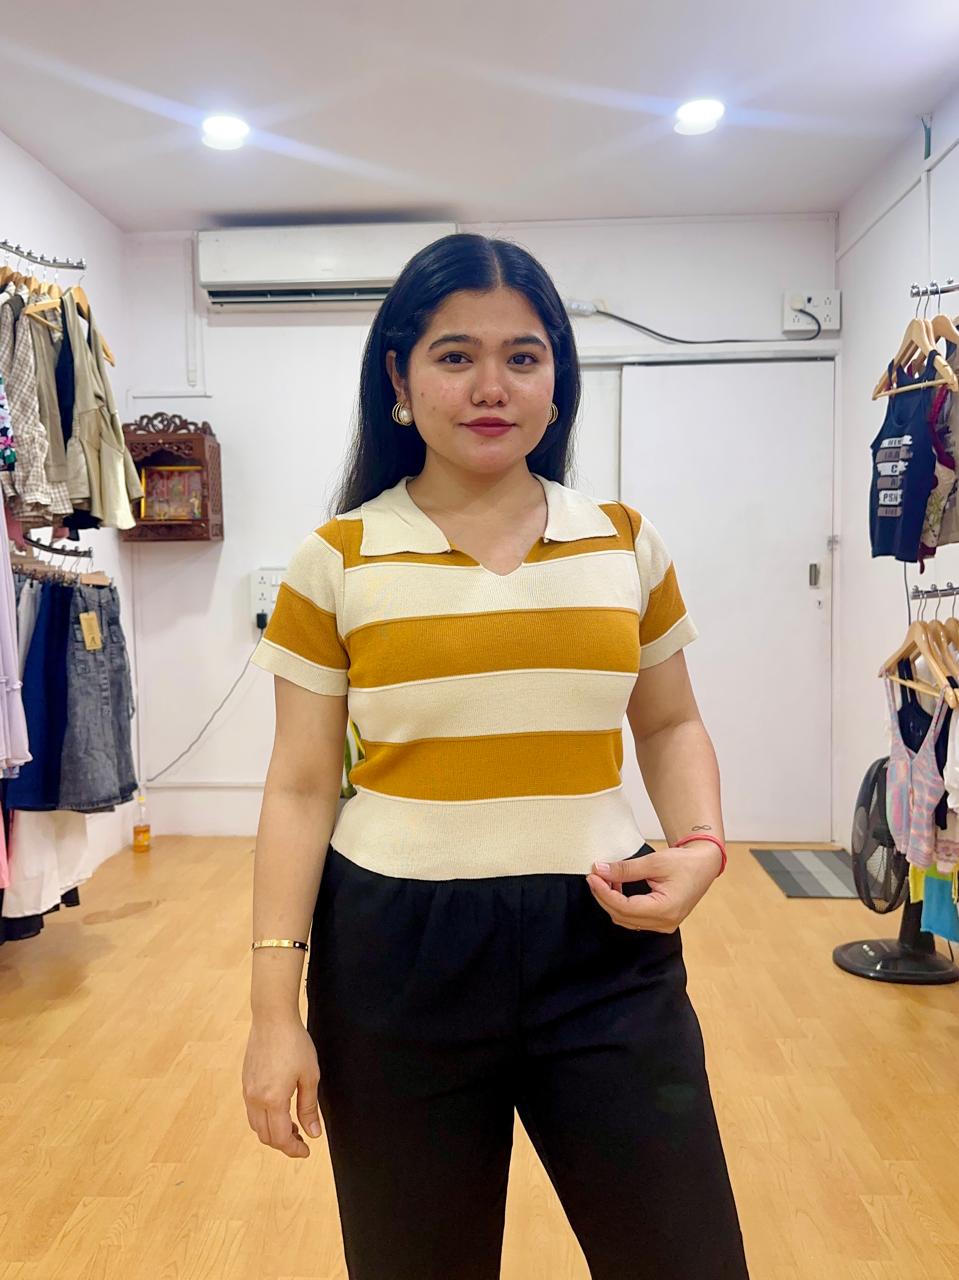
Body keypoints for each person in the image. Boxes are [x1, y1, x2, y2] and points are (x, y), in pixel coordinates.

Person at [241, 233, 750, 1280]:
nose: (490, 387)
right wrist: (270, 1015)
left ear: (556, 379)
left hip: (604, 939)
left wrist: (701, 842)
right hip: (396, 953)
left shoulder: (622, 542)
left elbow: (667, 723)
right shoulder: (335, 560)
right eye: (454, 355)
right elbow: (299, 786)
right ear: (398, 377)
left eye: (522, 356)